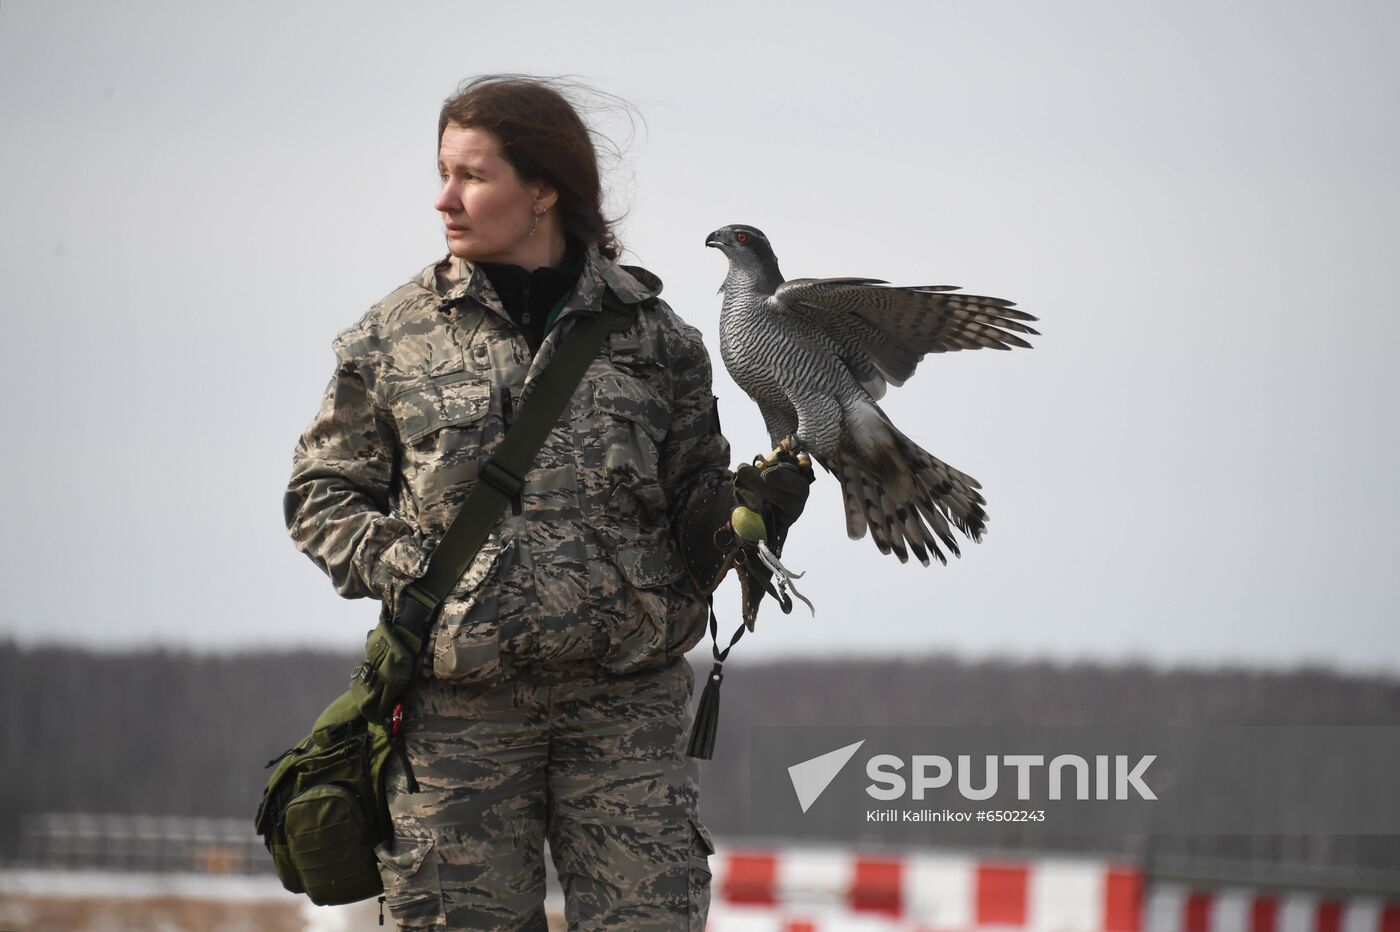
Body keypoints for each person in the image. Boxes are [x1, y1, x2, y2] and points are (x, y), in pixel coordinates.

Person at [282, 76, 811, 930]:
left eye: (472, 176)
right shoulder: (394, 336)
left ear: (544, 190)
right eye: (443, 172)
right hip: (459, 717)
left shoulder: (657, 340)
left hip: (626, 712)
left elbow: (695, 517)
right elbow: (321, 496)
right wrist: (422, 575)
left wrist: (753, 511)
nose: (444, 198)